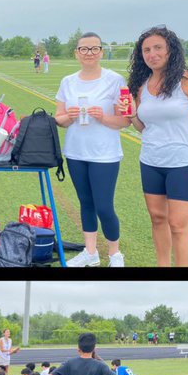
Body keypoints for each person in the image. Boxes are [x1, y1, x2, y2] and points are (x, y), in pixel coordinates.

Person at [127, 25, 188, 266]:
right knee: (157, 219)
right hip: (150, 161)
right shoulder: (141, 85)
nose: (152, 54)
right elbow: (143, 127)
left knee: (178, 224)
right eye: (146, 50)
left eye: (158, 48)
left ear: (170, 50)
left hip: (182, 163)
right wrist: (131, 114)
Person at [54, 33, 132, 268]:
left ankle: (115, 254)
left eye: (94, 48)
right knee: (86, 203)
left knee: (104, 206)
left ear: (101, 51)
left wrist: (103, 117)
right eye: (84, 49)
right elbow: (59, 119)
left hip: (104, 154)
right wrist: (69, 116)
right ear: (76, 53)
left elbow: (125, 121)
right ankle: (90, 252)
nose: (89, 53)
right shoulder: (67, 82)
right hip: (76, 152)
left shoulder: (115, 80)